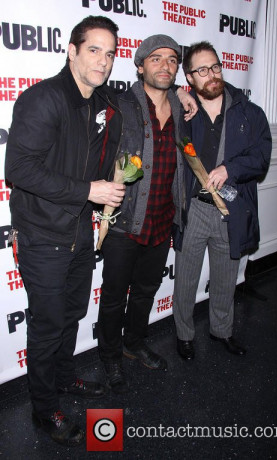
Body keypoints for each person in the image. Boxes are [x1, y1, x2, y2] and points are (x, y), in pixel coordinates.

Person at [5, 16, 126, 445]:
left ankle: (64, 378)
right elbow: (17, 169)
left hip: (78, 232)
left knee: (72, 315)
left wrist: (182, 93)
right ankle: (42, 412)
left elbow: (145, 100)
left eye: (110, 53)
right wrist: (87, 189)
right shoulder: (43, 99)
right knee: (48, 324)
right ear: (71, 51)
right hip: (43, 236)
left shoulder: (101, 101)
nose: (103, 60)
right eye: (93, 49)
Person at [97, 34, 189, 393]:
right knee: (114, 294)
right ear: (140, 66)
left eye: (171, 60)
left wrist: (186, 93)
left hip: (162, 219)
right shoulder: (120, 105)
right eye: (156, 58)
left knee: (146, 291)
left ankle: (133, 343)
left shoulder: (183, 108)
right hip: (125, 221)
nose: (165, 65)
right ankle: (108, 356)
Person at [173, 41, 272, 360]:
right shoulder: (184, 109)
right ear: (190, 77)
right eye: (201, 70)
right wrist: (177, 91)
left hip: (231, 208)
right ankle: (184, 335)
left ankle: (222, 331)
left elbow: (261, 157)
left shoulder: (249, 112)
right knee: (186, 280)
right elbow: (150, 87)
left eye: (215, 66)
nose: (211, 74)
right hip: (195, 208)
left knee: (226, 278)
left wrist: (231, 169)